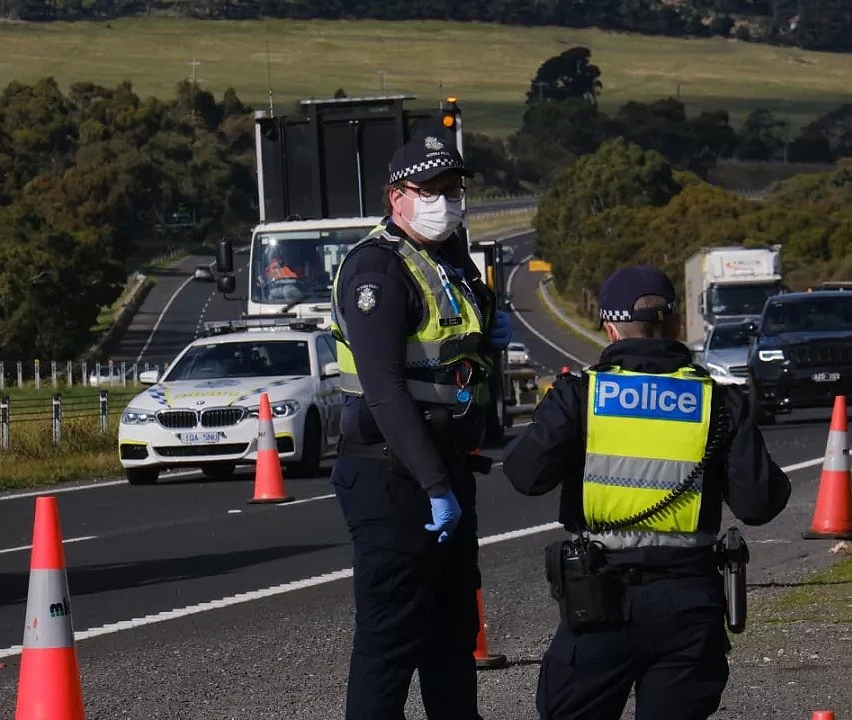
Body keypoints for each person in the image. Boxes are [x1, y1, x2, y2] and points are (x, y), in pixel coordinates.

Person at [503, 265, 791, 720]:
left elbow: (524, 474)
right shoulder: (719, 401)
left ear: (612, 328)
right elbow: (759, 504)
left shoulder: (581, 396)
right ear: (674, 324)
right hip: (689, 605)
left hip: (597, 602)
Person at [328, 130, 513, 720]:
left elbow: (455, 352)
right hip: (393, 476)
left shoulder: (447, 260)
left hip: (447, 469)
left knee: (452, 636)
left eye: (453, 188)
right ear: (395, 197)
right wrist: (435, 486)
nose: (445, 200)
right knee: (390, 640)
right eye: (429, 189)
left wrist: (492, 332)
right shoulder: (377, 272)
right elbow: (384, 391)